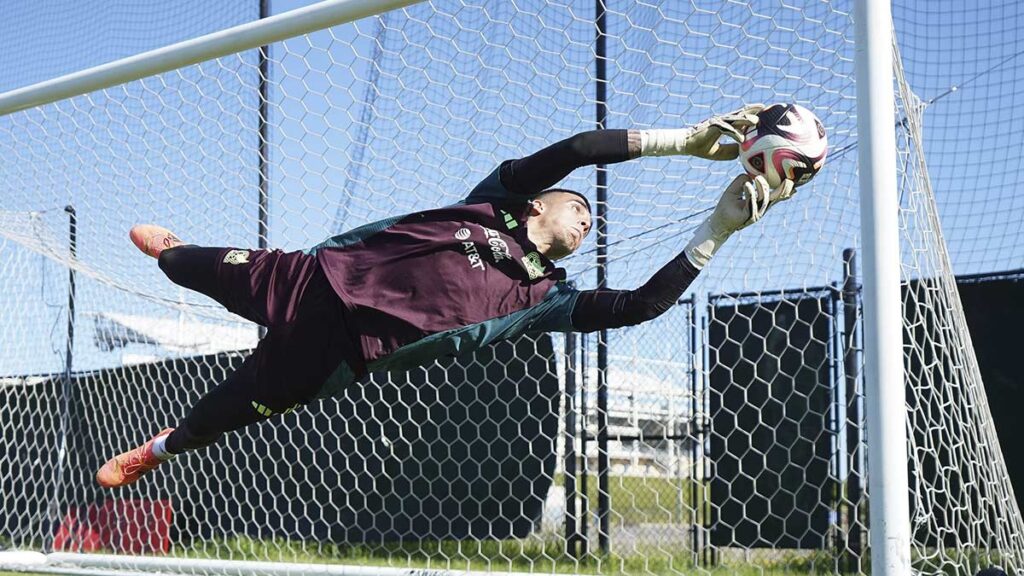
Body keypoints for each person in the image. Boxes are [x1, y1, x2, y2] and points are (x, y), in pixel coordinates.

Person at [96, 104, 794, 488]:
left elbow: (642, 306)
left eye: (592, 223)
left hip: (342, 354)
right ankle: (176, 249)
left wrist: (719, 227)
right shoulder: (494, 202)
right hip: (309, 279)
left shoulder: (545, 298)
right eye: (577, 208)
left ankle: (158, 449)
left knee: (218, 415)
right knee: (184, 264)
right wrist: (686, 141)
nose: (587, 220)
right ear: (536, 205)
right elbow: (580, 147)